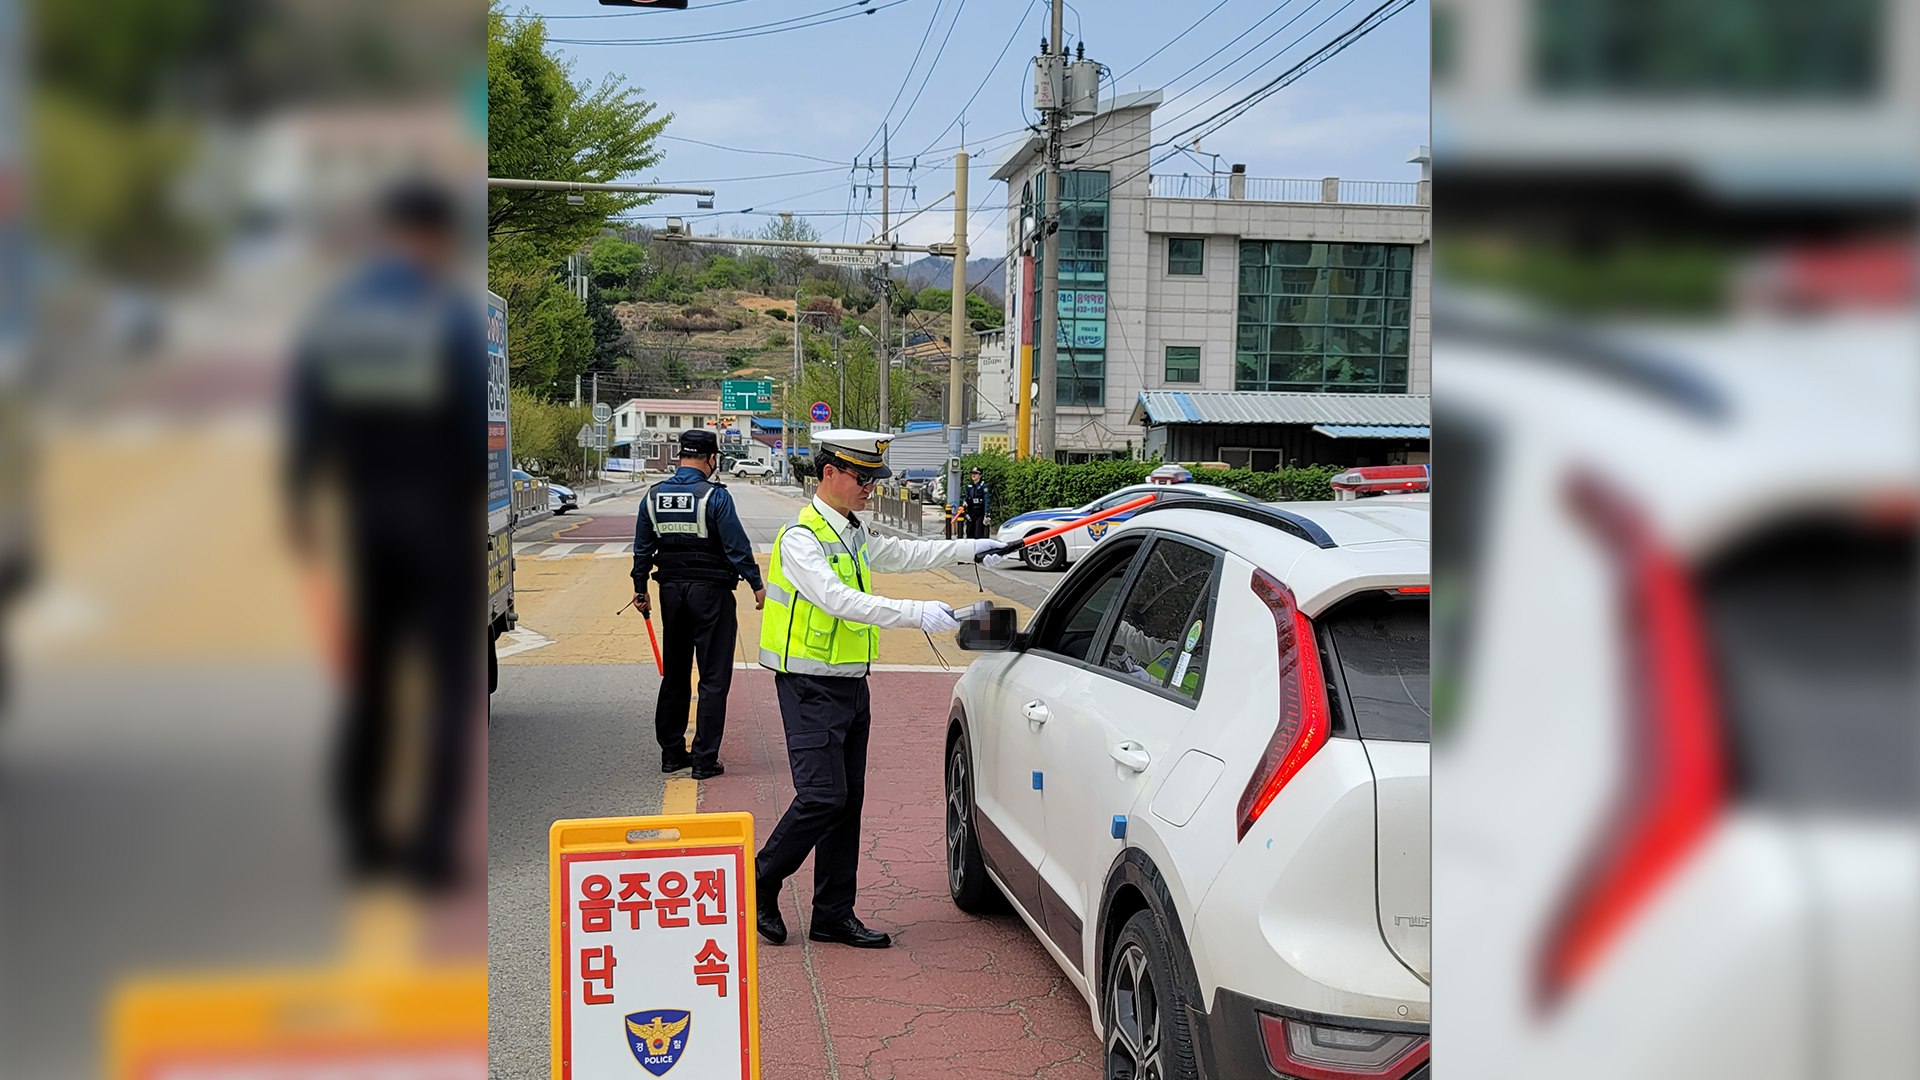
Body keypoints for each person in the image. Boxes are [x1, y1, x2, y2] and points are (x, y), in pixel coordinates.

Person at [284, 177, 483, 891]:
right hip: (432, 515)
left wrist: (301, 508)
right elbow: (466, 426)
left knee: (368, 683)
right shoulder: (445, 313)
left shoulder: (339, 313)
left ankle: (364, 843)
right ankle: (430, 850)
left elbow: (307, 418)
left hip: (365, 518)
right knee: (447, 687)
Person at [755, 429, 1009, 949]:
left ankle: (831, 914)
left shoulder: (851, 530)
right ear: (829, 474)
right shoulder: (801, 538)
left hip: (850, 684)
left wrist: (975, 547)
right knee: (822, 797)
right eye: (862, 476)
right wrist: (919, 614)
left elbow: (902, 554)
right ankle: (761, 877)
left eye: (874, 477)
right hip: (808, 685)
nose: (871, 486)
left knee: (847, 803)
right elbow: (838, 600)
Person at [632, 428, 766, 779]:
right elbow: (737, 546)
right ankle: (705, 759)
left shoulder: (654, 495)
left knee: (675, 672)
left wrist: (639, 588)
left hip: (670, 594)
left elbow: (642, 549)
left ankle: (672, 754)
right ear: (711, 459)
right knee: (713, 676)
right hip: (712, 595)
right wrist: (756, 584)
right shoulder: (715, 497)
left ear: (680, 457)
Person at [964, 466, 991, 539]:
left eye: (976, 473)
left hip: (979, 512)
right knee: (969, 532)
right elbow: (964, 496)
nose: (973, 475)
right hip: (971, 512)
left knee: (978, 533)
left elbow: (986, 500)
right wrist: (964, 502)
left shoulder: (983, 486)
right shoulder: (969, 486)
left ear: (980, 475)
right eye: (972, 473)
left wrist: (986, 514)